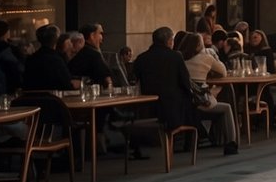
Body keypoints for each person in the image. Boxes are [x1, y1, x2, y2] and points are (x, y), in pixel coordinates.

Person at [135, 26, 237, 156]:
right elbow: (186, 82)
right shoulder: (175, 57)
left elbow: (135, 81)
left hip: (147, 109)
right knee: (215, 106)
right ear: (169, 41)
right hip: (172, 110)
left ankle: (201, 137)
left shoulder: (141, 58)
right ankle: (228, 143)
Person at [177, 31, 239, 153]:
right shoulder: (206, 58)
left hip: (183, 101)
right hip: (199, 101)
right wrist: (214, 57)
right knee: (226, 107)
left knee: (215, 96)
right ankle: (231, 142)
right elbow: (223, 72)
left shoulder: (179, 58)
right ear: (198, 46)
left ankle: (213, 136)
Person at [24, 24, 80, 91]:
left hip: (31, 99)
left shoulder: (31, 59)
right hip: (53, 99)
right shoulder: (56, 60)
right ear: (57, 39)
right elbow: (67, 85)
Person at [69, 23, 113, 87]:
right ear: (92, 35)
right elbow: (107, 79)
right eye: (100, 33)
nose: (102, 38)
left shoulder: (75, 55)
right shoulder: (94, 55)